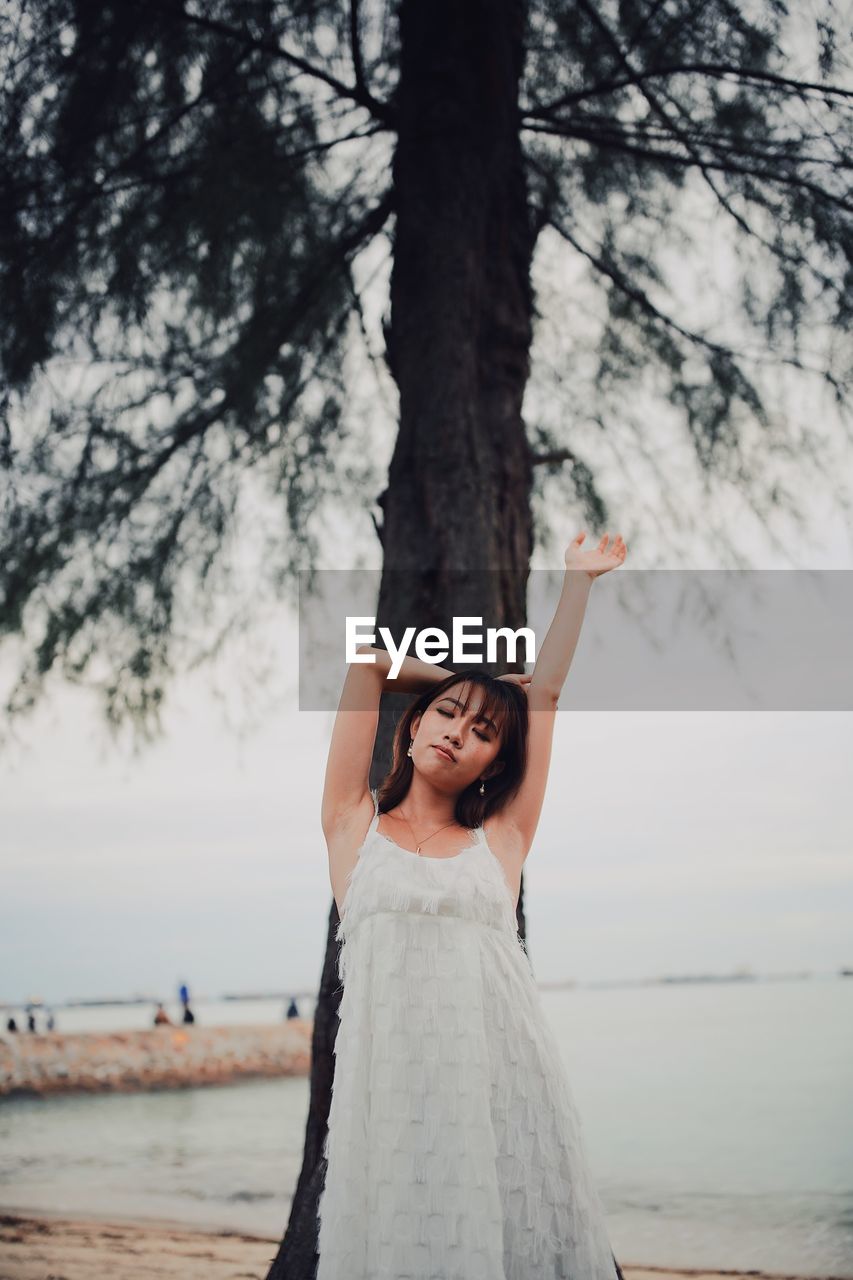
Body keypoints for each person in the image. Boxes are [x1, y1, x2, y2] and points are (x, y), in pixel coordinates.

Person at [317, 531, 628, 1279]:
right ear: (412, 725)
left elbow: (546, 694)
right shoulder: (350, 825)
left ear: (497, 760)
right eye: (447, 715)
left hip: (501, 1083)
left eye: (484, 731)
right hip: (391, 1089)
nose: (460, 733)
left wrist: (578, 580)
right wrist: (477, 683)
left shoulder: (502, 840)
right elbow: (366, 659)